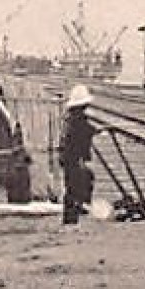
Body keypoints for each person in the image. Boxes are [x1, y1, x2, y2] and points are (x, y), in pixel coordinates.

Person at [58, 84, 98, 225]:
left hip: (69, 158)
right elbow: (83, 133)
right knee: (77, 185)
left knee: (72, 187)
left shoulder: (71, 119)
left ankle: (72, 215)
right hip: (74, 158)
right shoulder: (78, 120)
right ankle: (73, 215)